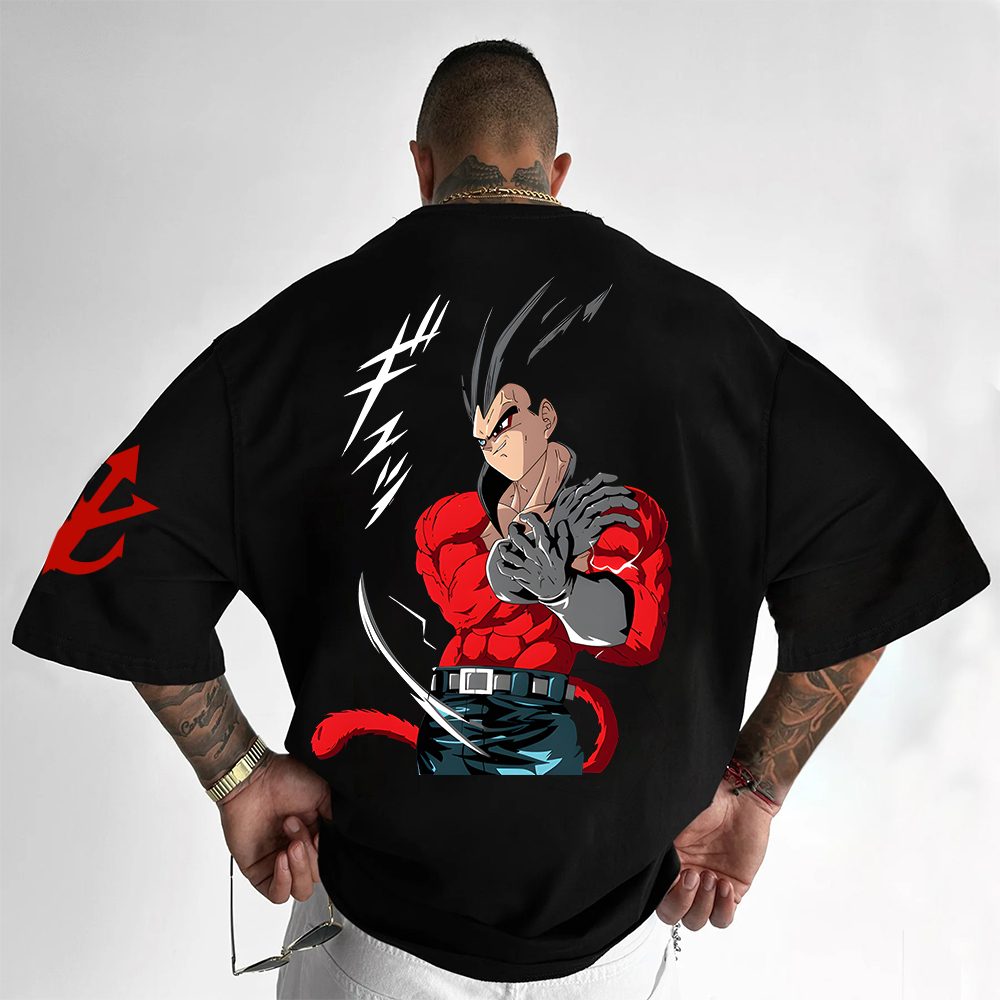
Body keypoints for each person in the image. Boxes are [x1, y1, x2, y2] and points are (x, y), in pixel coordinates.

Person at [10, 37, 990, 1000]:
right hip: (600, 950)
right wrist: (756, 786)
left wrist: (237, 775)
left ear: (420, 168)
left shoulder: (296, 339)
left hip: (377, 950)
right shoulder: (711, 345)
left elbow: (116, 561)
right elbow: (880, 550)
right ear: (556, 175)